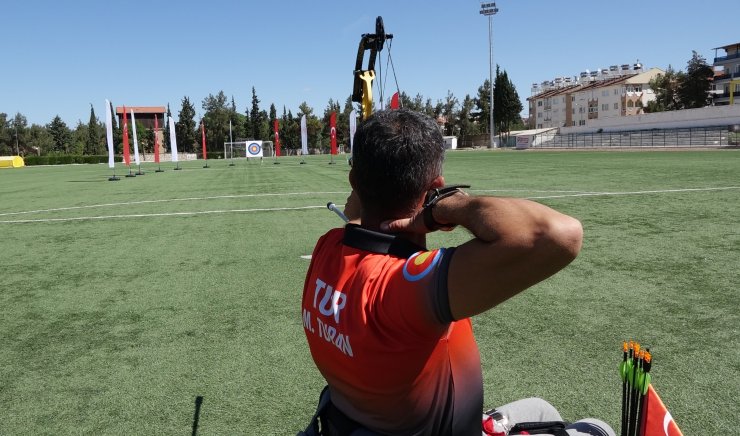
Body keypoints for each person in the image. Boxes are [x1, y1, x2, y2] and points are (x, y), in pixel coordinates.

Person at [300, 109, 614, 436]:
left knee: (540, 408)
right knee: (597, 428)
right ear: (436, 186)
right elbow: (561, 234)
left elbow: (356, 215)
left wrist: (370, 181)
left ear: (355, 182)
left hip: (347, 424)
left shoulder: (328, 248)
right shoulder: (404, 288)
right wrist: (443, 209)